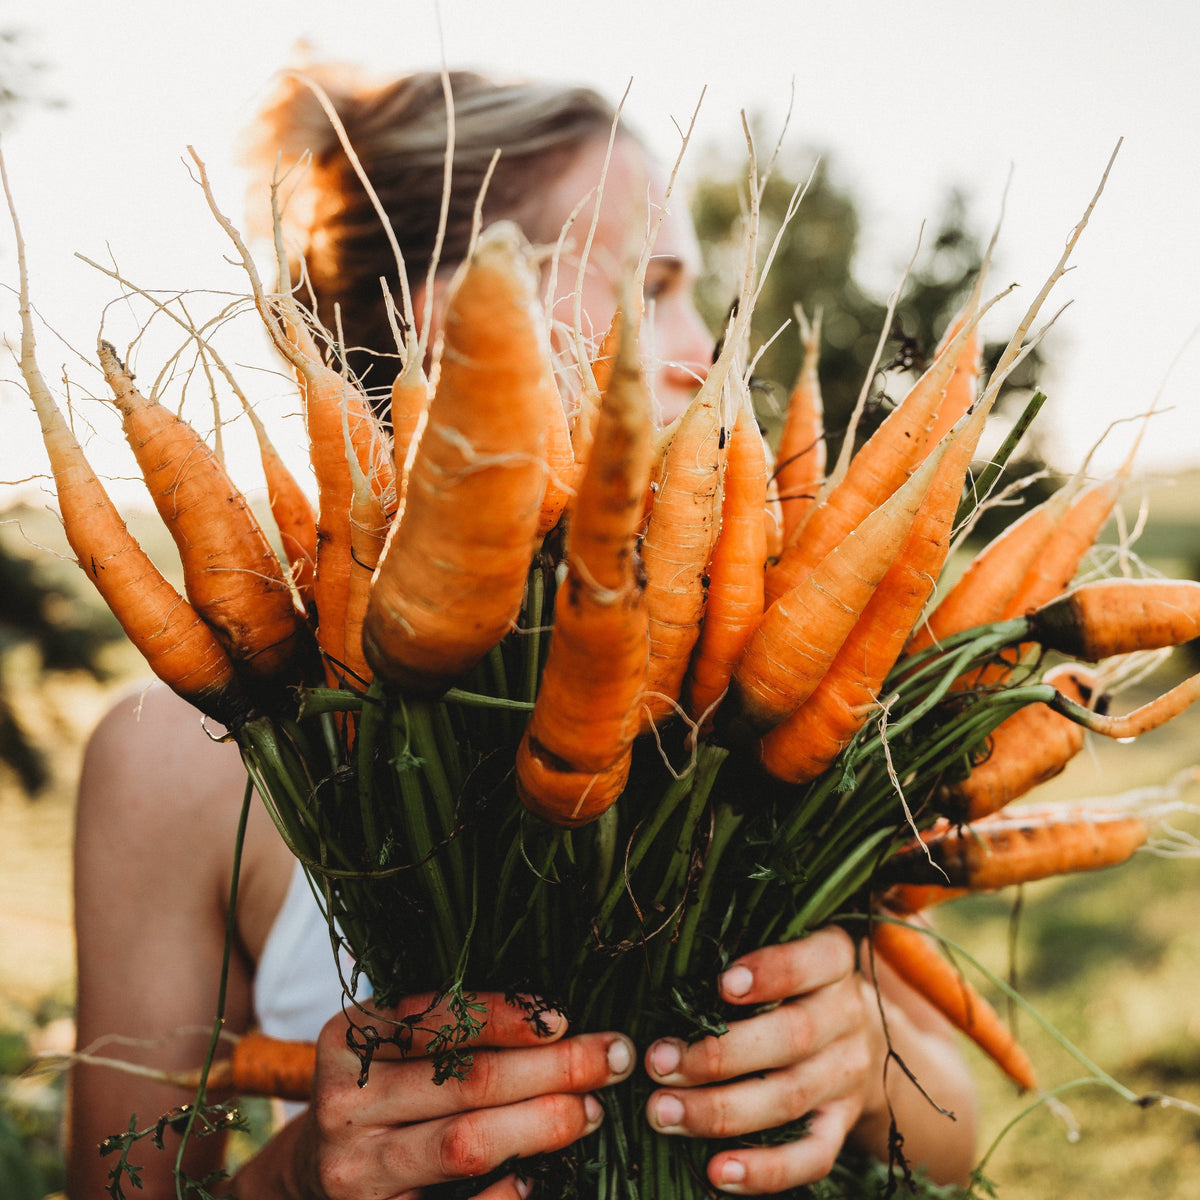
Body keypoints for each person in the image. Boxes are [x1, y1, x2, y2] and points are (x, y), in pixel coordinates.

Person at [68, 66, 979, 1199]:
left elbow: (957, 1140)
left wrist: (863, 1061)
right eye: (653, 286)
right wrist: (300, 1178)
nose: (704, 346)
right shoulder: (173, 762)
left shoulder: (763, 668)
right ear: (471, 320)